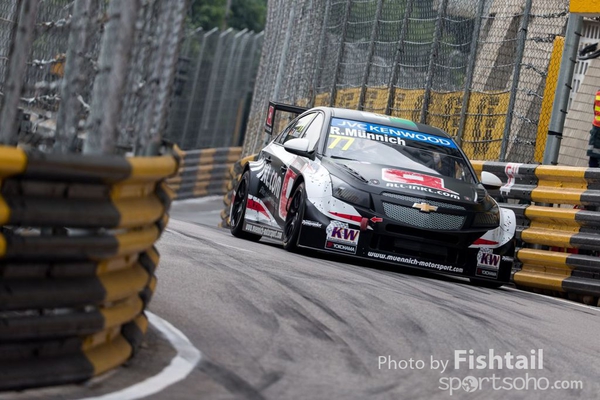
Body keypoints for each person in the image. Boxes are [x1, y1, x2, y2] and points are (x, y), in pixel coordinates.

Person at [587, 88, 600, 168]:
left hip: (597, 129)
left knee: (594, 158)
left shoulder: (598, 94)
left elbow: (595, 110)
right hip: (597, 130)